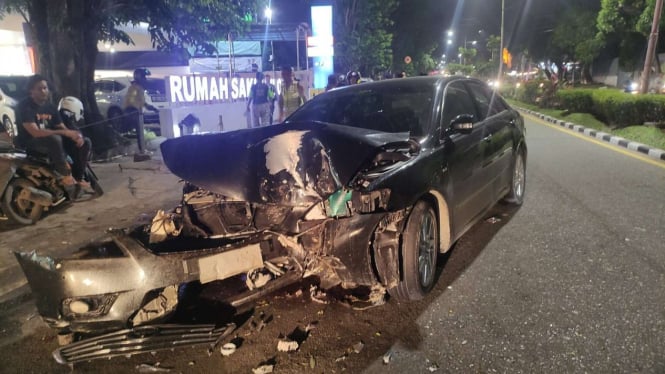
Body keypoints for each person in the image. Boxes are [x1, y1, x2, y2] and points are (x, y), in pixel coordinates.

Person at [14, 75, 85, 187]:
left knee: (85, 142)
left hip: (50, 140)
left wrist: (75, 135)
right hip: (30, 142)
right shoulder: (24, 107)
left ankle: (78, 176)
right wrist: (64, 133)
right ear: (31, 90)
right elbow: (35, 132)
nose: (44, 91)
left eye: (45, 88)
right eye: (39, 88)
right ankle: (64, 175)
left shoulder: (50, 107)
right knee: (55, 139)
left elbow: (61, 127)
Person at [57, 96, 93, 189]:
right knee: (86, 142)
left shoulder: (59, 116)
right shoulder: (66, 120)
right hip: (61, 150)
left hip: (57, 147)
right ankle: (78, 178)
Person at [123, 68, 155, 155]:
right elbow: (142, 102)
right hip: (134, 112)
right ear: (140, 78)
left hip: (128, 111)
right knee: (140, 133)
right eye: (144, 77)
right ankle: (142, 151)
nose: (145, 79)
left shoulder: (132, 87)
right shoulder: (138, 88)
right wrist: (153, 108)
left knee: (129, 132)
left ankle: (138, 150)